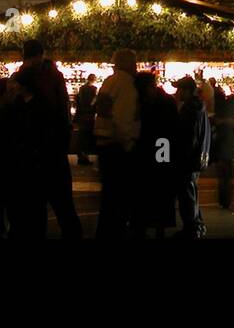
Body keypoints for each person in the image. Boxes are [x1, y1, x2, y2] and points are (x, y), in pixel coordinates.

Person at [15, 40, 82, 239]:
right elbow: (62, 112)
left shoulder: (32, 83)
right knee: (62, 205)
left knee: (39, 208)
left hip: (39, 153)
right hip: (52, 151)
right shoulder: (53, 77)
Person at [94, 50, 140, 238]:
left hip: (104, 143)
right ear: (130, 64)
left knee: (108, 199)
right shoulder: (127, 85)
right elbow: (123, 119)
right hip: (118, 147)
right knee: (119, 199)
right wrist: (128, 143)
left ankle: (105, 232)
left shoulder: (108, 82)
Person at [131, 72, 178, 238]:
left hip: (153, 149)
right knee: (157, 192)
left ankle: (148, 226)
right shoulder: (164, 101)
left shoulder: (144, 103)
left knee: (153, 191)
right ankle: (155, 226)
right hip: (157, 149)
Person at [173, 76, 211, 238]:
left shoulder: (190, 109)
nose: (177, 92)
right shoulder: (198, 107)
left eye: (179, 89)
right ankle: (196, 225)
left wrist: (182, 155)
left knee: (187, 193)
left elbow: (189, 137)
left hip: (188, 159)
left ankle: (193, 227)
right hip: (196, 158)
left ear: (186, 91)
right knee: (191, 192)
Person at [213, 81, 234, 210]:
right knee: (228, 175)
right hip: (230, 147)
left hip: (224, 147)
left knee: (224, 175)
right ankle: (226, 198)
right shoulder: (232, 117)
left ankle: (224, 198)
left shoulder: (220, 116)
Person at [74, 74, 98, 166]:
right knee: (86, 137)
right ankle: (84, 156)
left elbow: (79, 101)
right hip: (89, 116)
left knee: (82, 136)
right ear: (94, 79)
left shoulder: (82, 88)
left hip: (82, 116)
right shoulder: (94, 89)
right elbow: (93, 102)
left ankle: (81, 156)